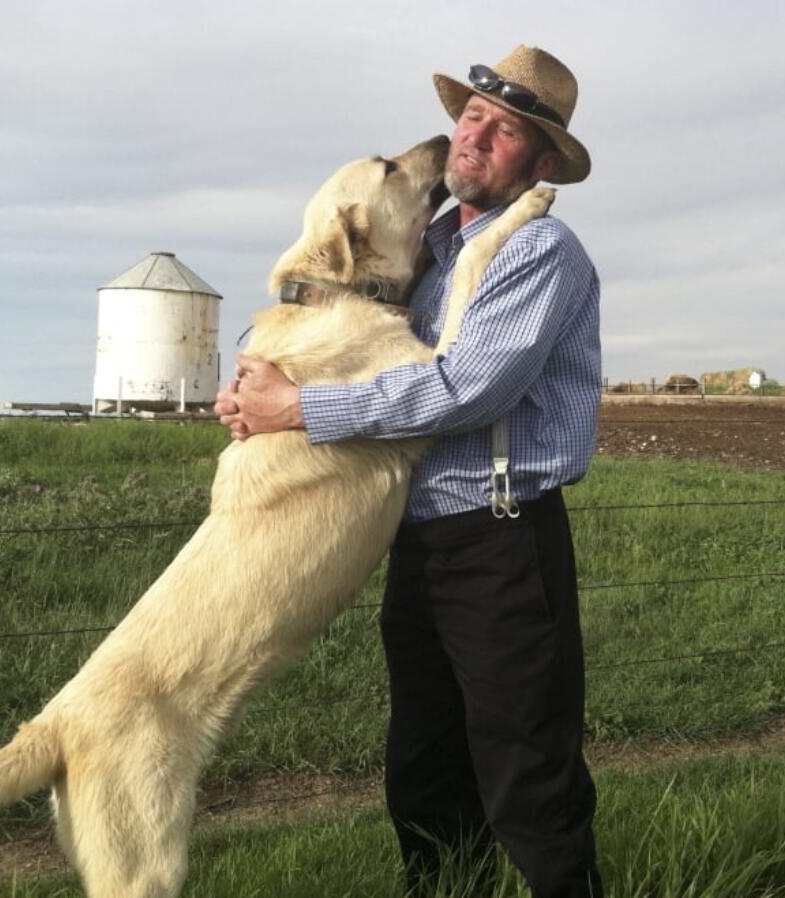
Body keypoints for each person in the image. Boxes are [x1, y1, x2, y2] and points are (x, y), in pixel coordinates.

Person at [216, 45, 603, 898]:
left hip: (501, 544)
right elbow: (333, 315)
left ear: (542, 163)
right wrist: (253, 378)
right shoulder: (429, 244)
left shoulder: (539, 252)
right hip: (419, 543)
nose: (476, 139)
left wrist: (301, 410)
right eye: (473, 117)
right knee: (425, 769)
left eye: (507, 132)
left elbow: (462, 388)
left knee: (527, 773)